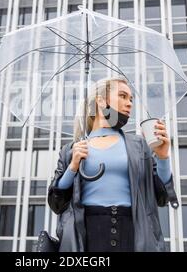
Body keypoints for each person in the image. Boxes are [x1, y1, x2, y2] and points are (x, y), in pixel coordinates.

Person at [47, 77, 178, 252]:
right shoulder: (71, 150)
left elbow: (162, 197)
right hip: (86, 237)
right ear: (101, 101)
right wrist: (72, 167)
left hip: (132, 235)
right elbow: (57, 203)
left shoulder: (139, 146)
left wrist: (162, 157)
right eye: (123, 96)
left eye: (131, 99)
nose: (129, 103)